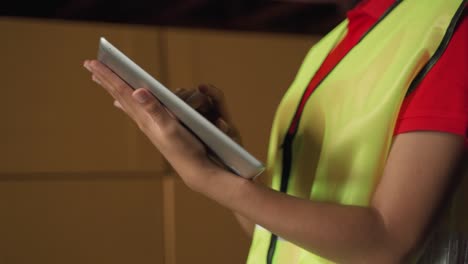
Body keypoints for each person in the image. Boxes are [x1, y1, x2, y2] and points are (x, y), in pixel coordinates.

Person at [84, 0, 467, 262]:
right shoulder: (330, 45)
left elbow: (388, 241)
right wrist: (222, 158)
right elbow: (280, 237)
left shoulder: (452, 24)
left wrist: (208, 178)